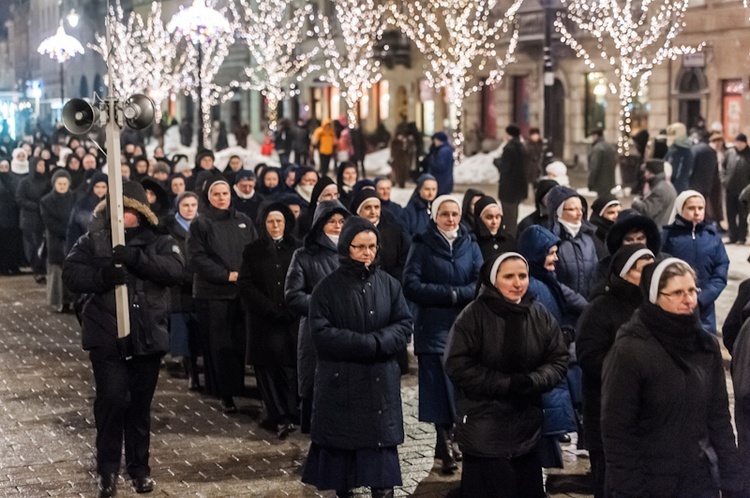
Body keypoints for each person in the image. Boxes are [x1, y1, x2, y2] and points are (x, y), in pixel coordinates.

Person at [62, 181, 184, 498]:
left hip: (146, 335)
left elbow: (174, 270)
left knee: (139, 407)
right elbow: (71, 275)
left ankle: (139, 469)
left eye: (129, 210)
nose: (122, 215)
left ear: (141, 214)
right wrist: (102, 277)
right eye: (118, 209)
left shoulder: (160, 241)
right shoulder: (92, 241)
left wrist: (136, 259)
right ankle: (107, 471)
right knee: (113, 401)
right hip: (107, 335)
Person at [601, 258, 744, 497]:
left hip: (698, 479)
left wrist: (732, 477)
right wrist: (630, 490)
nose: (688, 299)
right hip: (650, 482)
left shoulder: (705, 345)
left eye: (691, 291)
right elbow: (617, 432)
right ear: (656, 297)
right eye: (677, 292)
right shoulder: (630, 350)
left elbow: (718, 417)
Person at [302, 217, 412, 498]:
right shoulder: (326, 288)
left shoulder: (389, 284)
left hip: (379, 385)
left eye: (372, 246)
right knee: (343, 468)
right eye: (360, 247)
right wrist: (367, 344)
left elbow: (403, 324)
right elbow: (322, 334)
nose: (367, 253)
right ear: (345, 248)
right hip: (343, 384)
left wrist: (378, 343)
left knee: (382, 471)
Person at [444, 252, 569, 498]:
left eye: (522, 276)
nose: (517, 282)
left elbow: (558, 358)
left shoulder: (538, 314)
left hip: (526, 428)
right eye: (509, 276)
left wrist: (532, 381)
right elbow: (457, 364)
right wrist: (504, 384)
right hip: (485, 426)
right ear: (493, 280)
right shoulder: (473, 315)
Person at [402, 195, 483, 474]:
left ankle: (454, 437)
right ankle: (444, 439)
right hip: (432, 326)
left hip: (463, 326)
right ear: (435, 216)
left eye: (455, 214)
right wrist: (447, 294)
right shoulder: (422, 244)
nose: (450, 219)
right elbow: (411, 283)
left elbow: (480, 280)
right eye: (445, 214)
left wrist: (458, 294)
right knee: (439, 387)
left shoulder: (469, 243)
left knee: (460, 384)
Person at [576, 245, 654, 498]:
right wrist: (633, 375)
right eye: (643, 271)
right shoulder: (600, 308)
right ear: (624, 273)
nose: (649, 276)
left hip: (649, 417)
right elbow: (589, 358)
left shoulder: (656, 305)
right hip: (608, 413)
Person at [186, 177, 257, 413]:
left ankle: (238, 387)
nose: (221, 198)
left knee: (239, 343)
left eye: (225, 193)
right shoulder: (201, 224)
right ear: (209, 197)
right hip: (213, 293)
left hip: (240, 294)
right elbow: (197, 258)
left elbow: (254, 250)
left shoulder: (243, 220)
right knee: (219, 345)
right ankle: (224, 393)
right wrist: (226, 275)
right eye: (216, 194)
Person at [284, 200, 350, 434]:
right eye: (331, 221)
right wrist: (326, 305)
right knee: (318, 391)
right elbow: (293, 296)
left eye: (342, 221)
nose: (337, 226)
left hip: (350, 331)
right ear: (320, 224)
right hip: (316, 333)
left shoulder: (356, 252)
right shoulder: (304, 255)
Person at [238, 203, 301, 439]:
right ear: (263, 224)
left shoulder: (296, 248)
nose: (275, 226)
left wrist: (292, 305)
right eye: (271, 222)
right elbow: (245, 284)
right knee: (266, 369)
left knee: (288, 368)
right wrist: (268, 307)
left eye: (279, 221)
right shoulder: (252, 250)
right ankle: (278, 416)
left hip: (290, 320)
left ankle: (292, 412)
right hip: (263, 321)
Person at [662, 190, 728, 334]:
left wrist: (705, 296)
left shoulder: (712, 237)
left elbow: (721, 267)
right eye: (691, 208)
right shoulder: (668, 236)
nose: (697, 212)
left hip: (705, 306)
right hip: (676, 304)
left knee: (706, 343)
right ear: (680, 209)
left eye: (700, 208)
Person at [163, 192, 202, 391]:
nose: (190, 209)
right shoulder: (170, 230)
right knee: (185, 333)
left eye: (193, 204)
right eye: (185, 205)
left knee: (199, 331)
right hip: (181, 288)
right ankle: (191, 371)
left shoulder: (203, 226)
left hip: (201, 284)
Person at [545, 186, 605, 302]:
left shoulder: (588, 239)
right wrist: (580, 304)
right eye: (572, 209)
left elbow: (597, 274)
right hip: (562, 309)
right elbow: (551, 281)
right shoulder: (550, 240)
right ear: (558, 211)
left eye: (581, 209)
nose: (579, 213)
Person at [40, 170, 76, 312]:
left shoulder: (74, 197)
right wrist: (68, 231)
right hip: (56, 240)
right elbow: (50, 223)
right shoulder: (46, 201)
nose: (62, 186)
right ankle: (60, 301)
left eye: (65, 184)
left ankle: (72, 300)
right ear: (54, 184)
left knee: (72, 269)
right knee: (57, 271)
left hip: (72, 239)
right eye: (59, 184)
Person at [16, 156, 50, 283]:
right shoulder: (25, 182)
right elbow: (19, 198)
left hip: (43, 218)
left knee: (42, 245)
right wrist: (36, 206)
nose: (42, 168)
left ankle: (41, 269)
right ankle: (37, 271)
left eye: (43, 165)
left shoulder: (46, 181)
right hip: (29, 219)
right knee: (33, 246)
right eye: (39, 165)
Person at [493, 125, 528, 236]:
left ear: (509, 134)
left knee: (509, 219)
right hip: (518, 188)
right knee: (513, 217)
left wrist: (497, 162)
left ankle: (510, 242)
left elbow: (505, 168)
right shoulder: (522, 147)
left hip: (508, 189)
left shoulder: (509, 148)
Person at [67, 172, 108, 252]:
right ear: (92, 187)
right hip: (87, 248)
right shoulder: (82, 204)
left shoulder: (112, 204)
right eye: (97, 186)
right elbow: (73, 229)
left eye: (103, 187)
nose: (100, 190)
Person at [631, 159, 677, 228]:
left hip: (657, 231)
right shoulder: (666, 185)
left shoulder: (660, 190)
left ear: (653, 172)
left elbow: (647, 211)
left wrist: (635, 202)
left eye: (647, 171)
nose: (645, 174)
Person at [723, 133, 750, 244]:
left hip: (745, 191)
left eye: (741, 142)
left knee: (743, 215)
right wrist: (724, 180)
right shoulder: (730, 152)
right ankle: (732, 236)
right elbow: (722, 167)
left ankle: (741, 237)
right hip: (730, 188)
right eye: (737, 142)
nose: (738, 145)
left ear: (745, 143)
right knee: (731, 214)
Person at [473, 195, 516, 261]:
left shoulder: (508, 239)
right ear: (479, 219)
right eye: (489, 217)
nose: (494, 222)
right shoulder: (472, 240)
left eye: (497, 217)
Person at [0, 158, 21, 275]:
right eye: (1, 167)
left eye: (6, 167)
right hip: (1, 216)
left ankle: (13, 265)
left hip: (12, 215)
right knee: (3, 243)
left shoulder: (13, 180)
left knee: (13, 242)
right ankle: (3, 267)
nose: (4, 170)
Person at [587, 129, 618, 198]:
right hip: (609, 181)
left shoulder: (597, 149)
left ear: (596, 136)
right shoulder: (610, 147)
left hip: (600, 182)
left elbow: (594, 167)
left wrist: (590, 182)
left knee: (601, 201)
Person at [664, 122, 694, 193]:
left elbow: (671, 170)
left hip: (674, 187)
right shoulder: (688, 149)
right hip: (683, 186)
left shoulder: (676, 151)